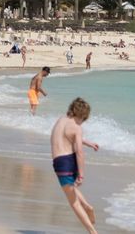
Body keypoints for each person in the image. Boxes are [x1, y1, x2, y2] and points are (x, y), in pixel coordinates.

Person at [50, 98, 101, 234]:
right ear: (82, 116)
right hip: (68, 161)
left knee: (73, 202)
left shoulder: (61, 119)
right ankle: (87, 206)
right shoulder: (76, 128)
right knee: (70, 188)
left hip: (60, 163)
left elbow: (67, 136)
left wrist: (87, 142)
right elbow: (78, 151)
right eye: (84, 119)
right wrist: (81, 174)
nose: (82, 122)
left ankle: (92, 232)